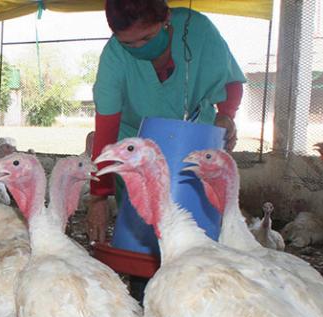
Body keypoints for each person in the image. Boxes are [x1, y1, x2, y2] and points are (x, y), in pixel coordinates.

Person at [87, 0, 245, 300]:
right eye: (128, 42)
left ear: (167, 19)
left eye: (146, 38)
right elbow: (106, 128)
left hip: (194, 139)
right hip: (137, 146)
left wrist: (226, 114)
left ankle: (199, 298)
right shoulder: (114, 57)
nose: (138, 48)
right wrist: (99, 196)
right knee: (143, 230)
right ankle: (146, 297)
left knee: (196, 230)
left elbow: (231, 81)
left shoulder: (197, 30)